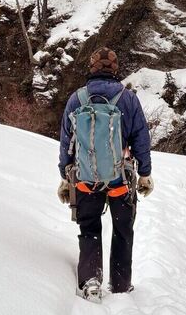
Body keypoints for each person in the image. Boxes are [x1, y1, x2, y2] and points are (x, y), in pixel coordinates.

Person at [57, 47, 154, 301]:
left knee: (89, 228)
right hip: (120, 179)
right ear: (115, 69)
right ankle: (121, 285)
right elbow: (141, 139)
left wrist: (65, 178)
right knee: (123, 230)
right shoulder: (128, 99)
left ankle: (90, 280)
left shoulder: (76, 99)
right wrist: (144, 173)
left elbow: (67, 143)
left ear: (91, 68)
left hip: (86, 179)